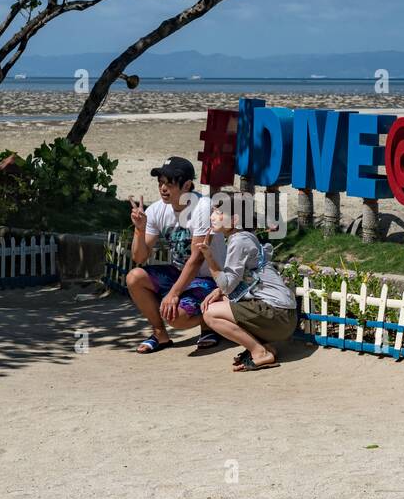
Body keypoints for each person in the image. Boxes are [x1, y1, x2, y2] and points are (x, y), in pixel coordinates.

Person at [126, 156, 227, 353]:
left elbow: (197, 259)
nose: (163, 188)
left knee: (177, 319)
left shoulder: (202, 206)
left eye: (169, 183)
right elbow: (139, 258)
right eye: (161, 183)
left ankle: (211, 322)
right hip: (179, 272)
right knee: (134, 277)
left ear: (187, 185)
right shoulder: (156, 209)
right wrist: (139, 230)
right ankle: (159, 334)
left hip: (209, 278)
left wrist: (174, 294)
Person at [197, 200, 298, 372]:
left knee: (209, 313)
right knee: (217, 302)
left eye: (219, 213)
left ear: (235, 220)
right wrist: (219, 290)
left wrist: (209, 257)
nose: (213, 216)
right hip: (284, 317)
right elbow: (238, 282)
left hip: (278, 316)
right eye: (213, 211)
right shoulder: (245, 237)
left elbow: (228, 286)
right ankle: (265, 346)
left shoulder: (238, 241)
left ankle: (260, 352)